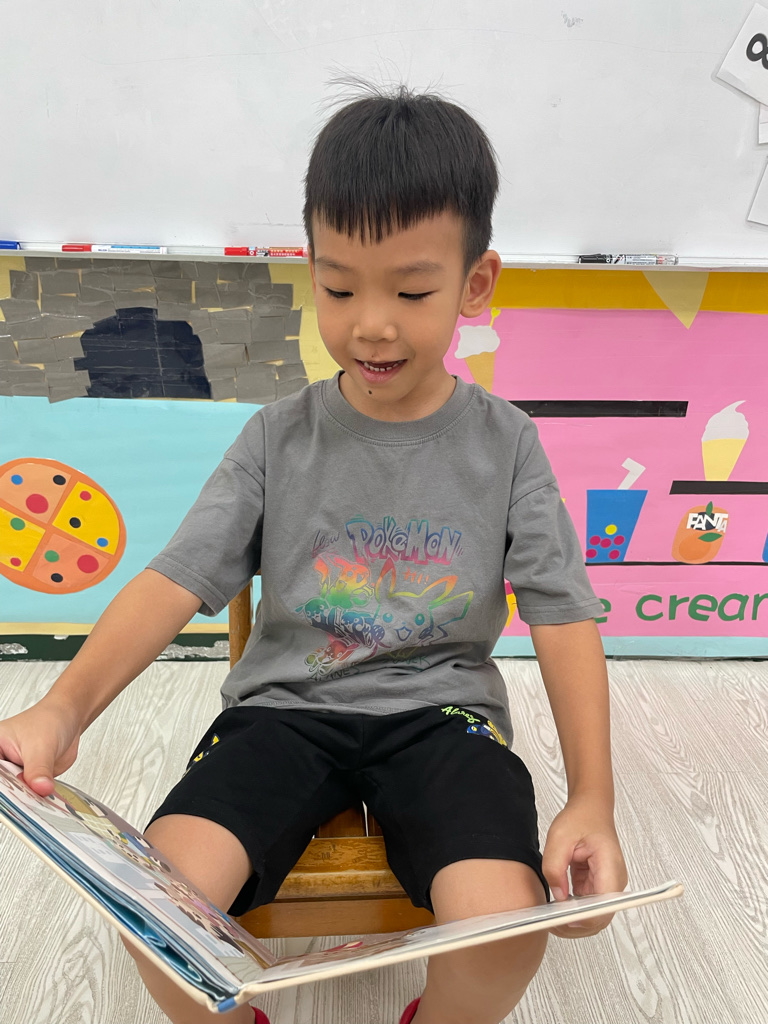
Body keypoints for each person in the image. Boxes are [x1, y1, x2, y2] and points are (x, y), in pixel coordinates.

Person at [0, 84, 628, 1024]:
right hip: (283, 714)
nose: (371, 323)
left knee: (504, 930)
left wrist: (593, 800)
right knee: (156, 911)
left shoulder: (507, 445)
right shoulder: (275, 437)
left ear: (476, 284)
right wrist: (63, 709)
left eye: (411, 292)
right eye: (338, 288)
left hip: (443, 717)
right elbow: (173, 580)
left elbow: (563, 616)